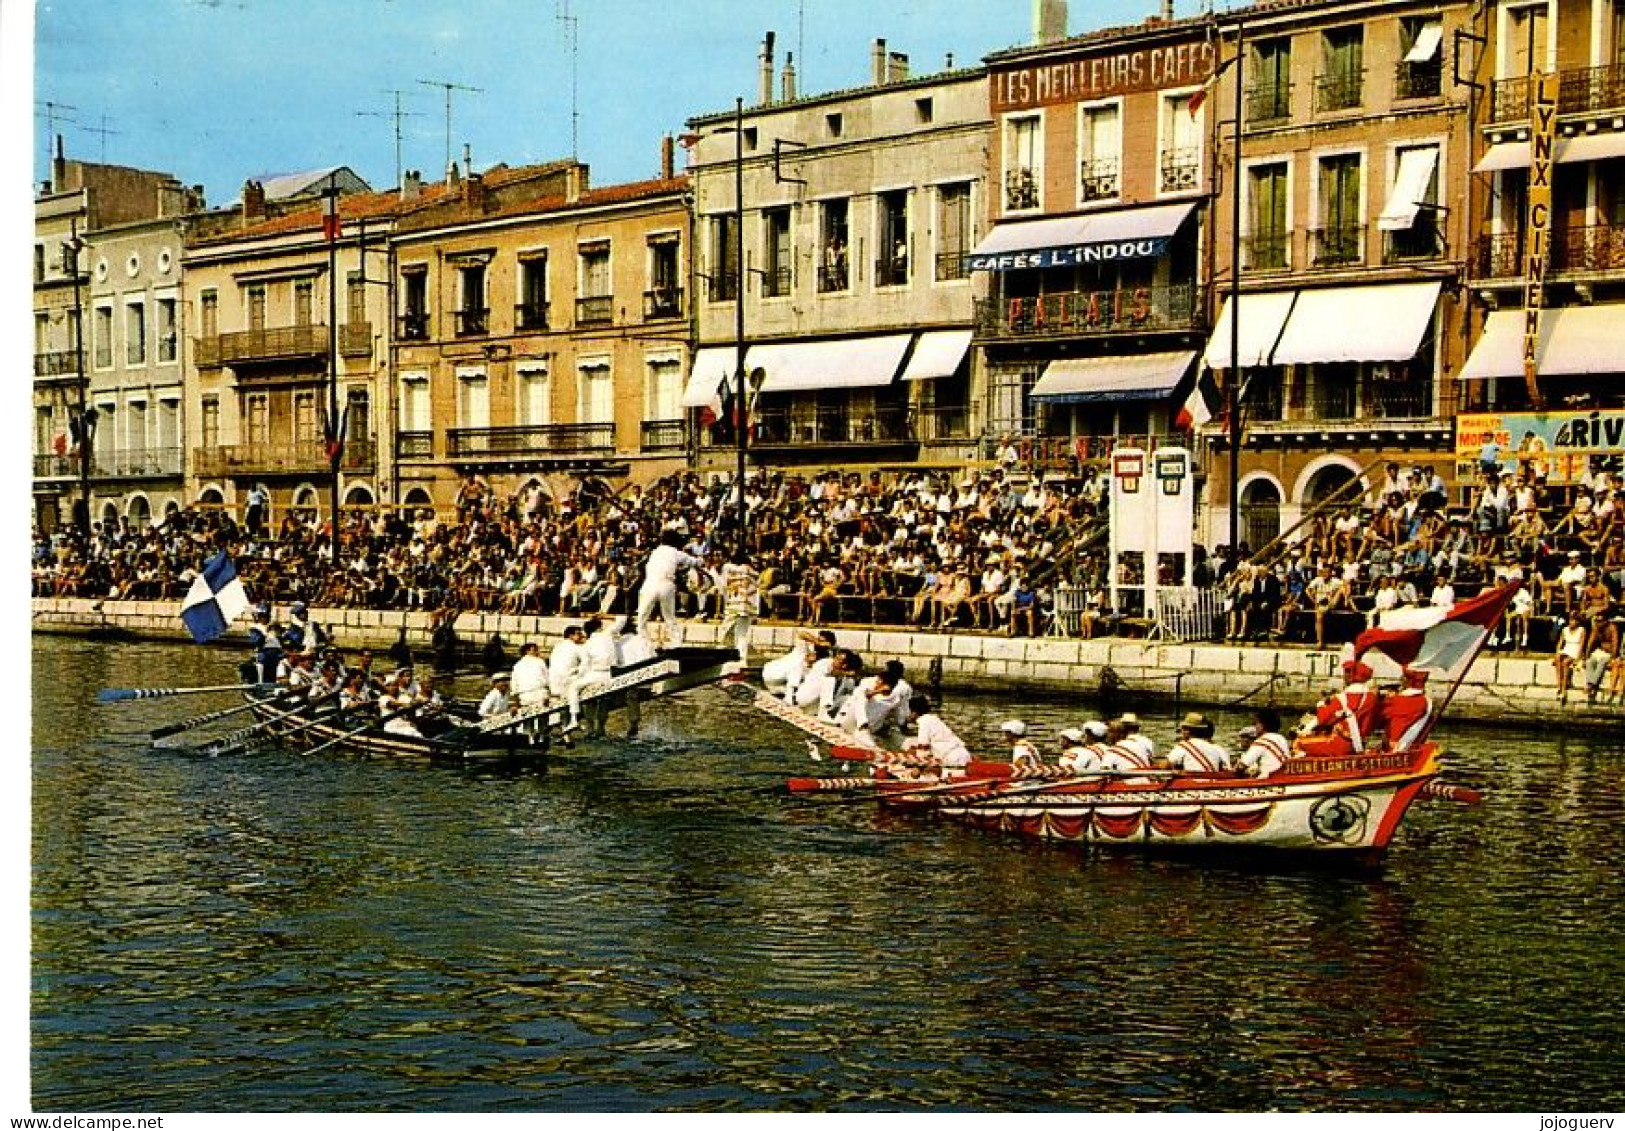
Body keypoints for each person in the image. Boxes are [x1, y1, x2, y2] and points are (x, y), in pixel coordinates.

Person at [1296, 660, 1380, 756]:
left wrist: (1321, 705)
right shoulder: (1372, 699)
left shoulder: (1342, 699)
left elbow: (1323, 719)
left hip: (1339, 745)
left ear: (1350, 676)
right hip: (1360, 744)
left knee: (1299, 743)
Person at [637, 530, 706, 647]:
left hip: (650, 584)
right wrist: (701, 560)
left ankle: (642, 642)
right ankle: (676, 644)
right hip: (665, 584)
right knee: (669, 617)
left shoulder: (655, 552)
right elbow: (696, 562)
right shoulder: (676, 553)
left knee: (642, 616)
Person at [903, 694, 971, 770]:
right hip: (963, 754)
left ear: (914, 712)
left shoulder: (923, 722)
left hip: (953, 758)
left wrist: (912, 761)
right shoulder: (933, 719)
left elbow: (923, 747)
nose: (906, 714)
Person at [719, 548, 760, 665]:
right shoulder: (751, 571)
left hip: (733, 603)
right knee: (742, 633)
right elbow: (756, 587)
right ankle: (742, 658)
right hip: (747, 605)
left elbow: (723, 585)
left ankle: (723, 655)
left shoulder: (727, 568)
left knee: (725, 630)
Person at [581, 617, 619, 738]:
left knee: (588, 700)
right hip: (609, 673)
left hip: (594, 672)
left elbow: (585, 664)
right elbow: (622, 619)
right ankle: (601, 728)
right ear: (599, 627)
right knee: (603, 701)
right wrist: (603, 615)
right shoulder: (608, 635)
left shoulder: (587, 644)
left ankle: (590, 727)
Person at [549, 623, 590, 731]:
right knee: (576, 692)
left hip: (554, 680)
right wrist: (579, 672)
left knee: (563, 704)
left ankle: (564, 727)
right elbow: (586, 662)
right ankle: (575, 719)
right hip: (568, 679)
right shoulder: (576, 647)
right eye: (578, 634)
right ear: (571, 636)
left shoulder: (557, 646)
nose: (581, 636)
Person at [1381, 668, 1433, 752]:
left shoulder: (1398, 700)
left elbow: (1392, 720)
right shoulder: (1427, 701)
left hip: (1396, 748)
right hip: (1415, 746)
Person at [1164, 712, 1232, 773]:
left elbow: (1166, 765)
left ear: (1187, 731)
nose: (1181, 732)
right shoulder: (1213, 748)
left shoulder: (1183, 746)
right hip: (1213, 781)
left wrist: (1158, 764)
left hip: (1191, 782)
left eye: (1182, 729)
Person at [1236, 707, 1292, 778]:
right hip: (1284, 775)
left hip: (1268, 779)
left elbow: (1241, 766)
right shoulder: (1282, 738)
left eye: (1256, 723)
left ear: (1262, 725)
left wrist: (1236, 769)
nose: (1255, 727)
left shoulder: (1261, 741)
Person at [1583, 613, 1620, 706]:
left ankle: (1591, 685)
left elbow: (1615, 643)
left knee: (1602, 663)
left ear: (1605, 621)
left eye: (1600, 621)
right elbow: (1590, 642)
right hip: (1600, 651)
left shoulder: (1612, 628)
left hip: (1609, 653)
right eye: (1597, 621)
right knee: (1590, 661)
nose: (1598, 623)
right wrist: (1586, 656)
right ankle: (1591, 684)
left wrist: (1613, 656)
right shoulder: (1596, 628)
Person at [511, 641, 549, 709]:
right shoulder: (539, 661)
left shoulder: (517, 665)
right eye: (535, 650)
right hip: (539, 693)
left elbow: (514, 684)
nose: (537, 652)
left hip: (524, 695)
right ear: (527, 651)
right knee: (542, 715)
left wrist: (515, 697)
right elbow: (547, 678)